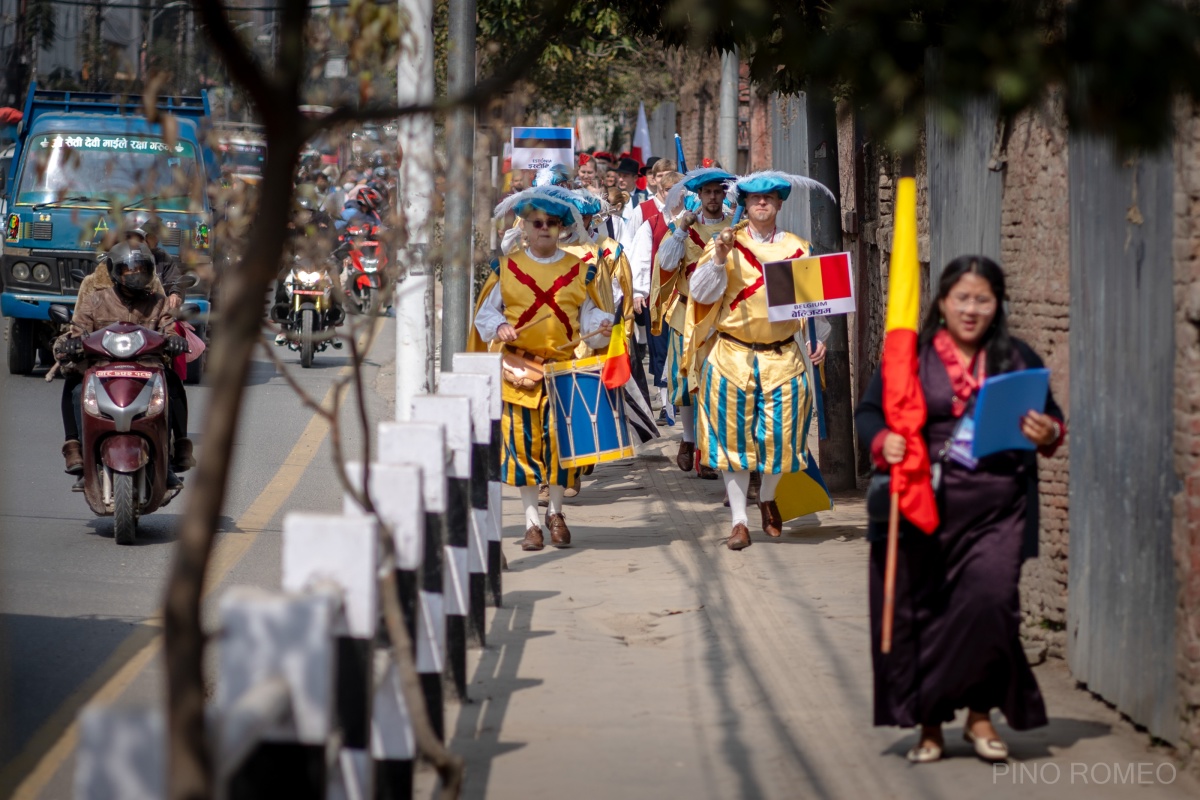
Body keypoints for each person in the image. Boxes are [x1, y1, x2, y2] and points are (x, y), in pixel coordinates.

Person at [854, 255, 1063, 765]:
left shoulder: (1015, 357)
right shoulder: (911, 358)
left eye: (983, 299)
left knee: (991, 606)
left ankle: (979, 715)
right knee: (925, 613)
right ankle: (929, 724)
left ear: (998, 304)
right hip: (924, 504)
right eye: (962, 299)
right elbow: (868, 414)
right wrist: (884, 440)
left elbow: (1051, 418)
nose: (972, 309)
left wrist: (1048, 431)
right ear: (942, 303)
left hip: (999, 507)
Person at [687, 171, 833, 550]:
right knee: (731, 443)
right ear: (745, 205)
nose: (762, 202)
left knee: (784, 441)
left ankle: (767, 497)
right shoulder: (726, 244)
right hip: (732, 355)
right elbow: (700, 293)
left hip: (783, 357)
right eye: (754, 198)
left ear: (780, 204)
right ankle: (738, 520)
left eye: (769, 197)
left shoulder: (798, 248)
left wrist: (821, 341)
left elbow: (814, 306)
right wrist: (718, 259)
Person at [468, 186, 613, 551]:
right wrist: (498, 327)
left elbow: (589, 316)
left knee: (563, 449)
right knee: (522, 447)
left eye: (551, 222)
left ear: (562, 227)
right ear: (526, 228)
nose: (544, 228)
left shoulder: (580, 270)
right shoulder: (506, 267)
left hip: (563, 371)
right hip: (519, 372)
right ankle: (532, 522)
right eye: (537, 223)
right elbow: (486, 314)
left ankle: (557, 513)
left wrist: (601, 326)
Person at [57, 243, 189, 487]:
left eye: (141, 269)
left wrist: (175, 340)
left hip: (146, 369)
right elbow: (77, 329)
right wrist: (69, 344)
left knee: (173, 384)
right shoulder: (94, 300)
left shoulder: (158, 302)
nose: (135, 275)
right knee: (75, 385)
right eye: (129, 270)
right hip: (103, 368)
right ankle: (76, 449)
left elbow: (169, 328)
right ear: (115, 272)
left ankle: (173, 453)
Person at [653, 167, 737, 478]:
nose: (713, 197)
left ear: (723, 195)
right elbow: (665, 264)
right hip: (686, 315)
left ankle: (707, 450)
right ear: (698, 196)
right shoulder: (683, 228)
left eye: (718, 192)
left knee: (714, 385)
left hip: (722, 319)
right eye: (708, 192)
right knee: (685, 383)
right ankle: (688, 441)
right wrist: (678, 230)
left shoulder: (735, 228)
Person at [626, 166, 680, 424]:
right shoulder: (650, 219)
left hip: (684, 296)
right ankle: (665, 403)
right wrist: (638, 292)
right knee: (660, 348)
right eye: (670, 190)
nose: (675, 195)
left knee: (683, 349)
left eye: (679, 191)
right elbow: (639, 256)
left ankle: (684, 398)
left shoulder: (694, 219)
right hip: (657, 295)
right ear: (661, 190)